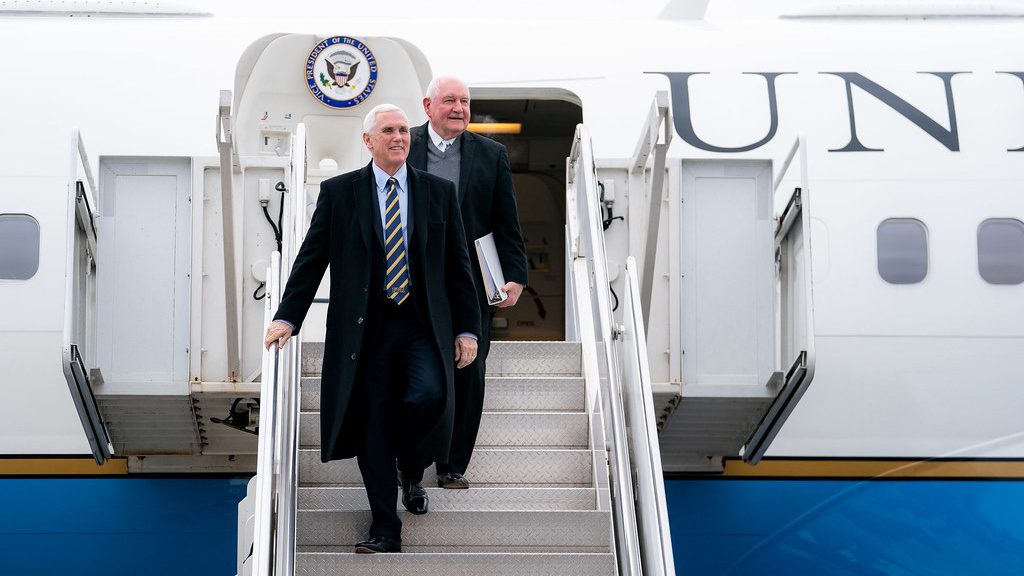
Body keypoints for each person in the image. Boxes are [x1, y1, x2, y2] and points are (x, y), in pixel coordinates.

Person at [264, 103, 480, 554]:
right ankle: (386, 528)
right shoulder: (341, 192)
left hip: (422, 325)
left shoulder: (438, 192)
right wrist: (287, 316)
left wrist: (468, 329)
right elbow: (311, 258)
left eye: (404, 130)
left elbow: (459, 268)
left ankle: (411, 467)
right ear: (369, 140)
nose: (399, 137)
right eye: (388, 131)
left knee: (430, 396)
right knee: (373, 426)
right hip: (366, 332)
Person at [409, 77, 528, 489]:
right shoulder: (402, 144)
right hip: (411, 281)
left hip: (471, 282)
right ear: (428, 105)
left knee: (469, 373)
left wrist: (515, 275)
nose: (459, 108)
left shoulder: (491, 154)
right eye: (450, 101)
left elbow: (505, 219)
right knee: (419, 371)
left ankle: (452, 465)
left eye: (465, 101)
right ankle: (415, 457)